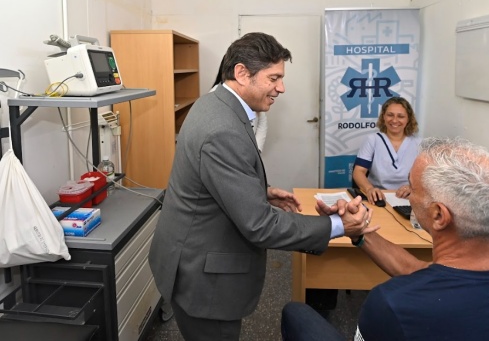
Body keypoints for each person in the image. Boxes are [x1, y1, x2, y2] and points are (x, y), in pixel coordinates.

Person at [148, 32, 375, 341]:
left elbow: (211, 177)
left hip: (189, 255)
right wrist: (338, 225)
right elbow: (260, 225)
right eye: (274, 78)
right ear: (242, 73)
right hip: (203, 281)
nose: (281, 88)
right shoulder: (222, 129)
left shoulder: (216, 104)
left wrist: (259, 191)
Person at [281, 137, 489, 341]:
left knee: (296, 313)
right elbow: (421, 271)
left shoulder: (393, 303)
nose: (407, 195)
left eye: (413, 189)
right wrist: (359, 233)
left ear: (439, 215)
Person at [352, 96, 421, 204]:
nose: (394, 120)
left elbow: (427, 176)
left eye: (401, 116)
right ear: (383, 116)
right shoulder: (373, 140)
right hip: (378, 198)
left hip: (408, 198)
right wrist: (369, 189)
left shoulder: (419, 144)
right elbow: (358, 171)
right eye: (390, 115)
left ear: (408, 119)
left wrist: (413, 188)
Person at [210, 57, 268, 152]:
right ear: (239, 72)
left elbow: (262, 120)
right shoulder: (215, 95)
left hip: (249, 152)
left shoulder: (251, 93)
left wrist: (257, 150)